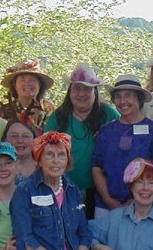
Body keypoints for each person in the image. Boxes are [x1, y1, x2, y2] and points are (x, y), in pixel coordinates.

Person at [45, 63, 120, 218]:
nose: (81, 94)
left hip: (103, 189)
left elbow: (123, 139)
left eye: (87, 89)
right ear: (70, 92)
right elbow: (44, 151)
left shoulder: (108, 114)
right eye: (77, 88)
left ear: (95, 92)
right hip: (64, 187)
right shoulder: (58, 117)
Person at [92, 74, 153, 218]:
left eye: (128, 95)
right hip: (106, 206)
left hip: (144, 206)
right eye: (118, 96)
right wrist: (108, 200)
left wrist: (137, 200)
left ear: (139, 99)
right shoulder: (106, 130)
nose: (123, 101)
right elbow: (97, 167)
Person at [0, 118, 38, 195]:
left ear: (35, 140)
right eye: (14, 136)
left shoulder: (43, 168)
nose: (20, 141)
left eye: (25, 136)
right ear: (5, 139)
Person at [0, 59, 55, 134]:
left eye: (32, 79)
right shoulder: (4, 112)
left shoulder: (52, 111)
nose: (27, 83)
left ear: (40, 85)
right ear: (15, 85)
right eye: (22, 79)